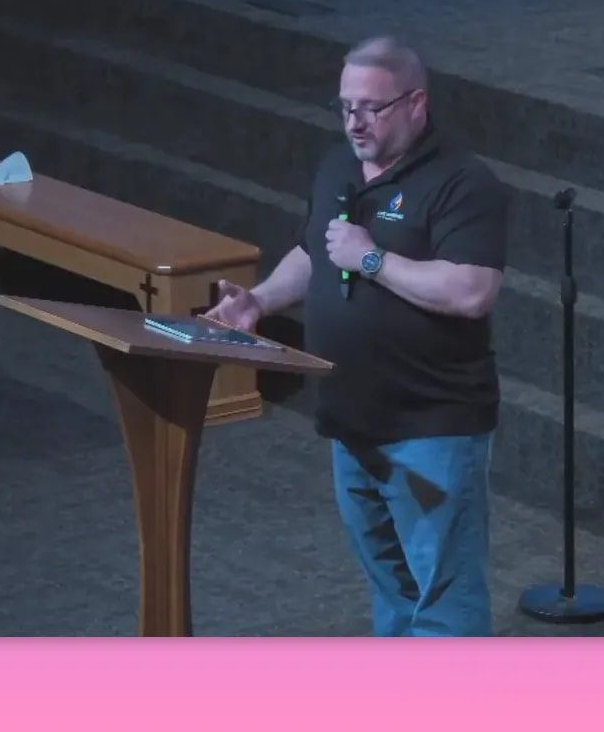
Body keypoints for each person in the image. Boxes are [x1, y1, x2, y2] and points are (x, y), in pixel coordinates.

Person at [204, 35, 509, 636]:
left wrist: (371, 261)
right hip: (350, 422)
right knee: (390, 588)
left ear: (416, 103)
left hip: (429, 432)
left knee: (441, 595)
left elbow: (472, 291)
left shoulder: (462, 183)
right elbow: (313, 248)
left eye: (372, 107)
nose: (355, 121)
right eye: (345, 106)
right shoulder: (338, 166)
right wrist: (259, 300)